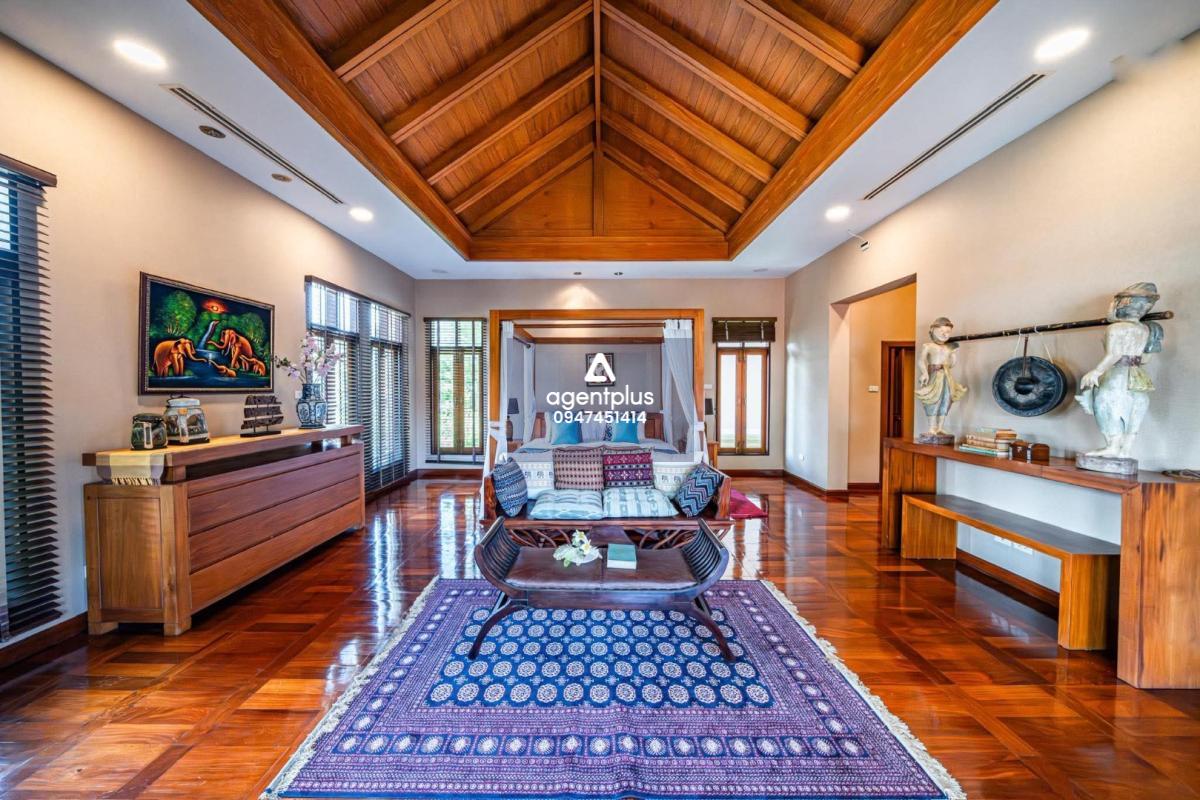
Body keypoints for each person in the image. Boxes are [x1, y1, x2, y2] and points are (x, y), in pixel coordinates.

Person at [1075, 283, 1163, 463]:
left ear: (1122, 304)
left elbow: (1114, 354)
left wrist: (1096, 371)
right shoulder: (1147, 329)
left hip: (1117, 374)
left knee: (1105, 405)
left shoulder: (1116, 328)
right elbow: (1145, 359)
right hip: (1137, 375)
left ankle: (1113, 446)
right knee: (1133, 411)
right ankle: (1125, 450)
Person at [915, 317, 967, 439]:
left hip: (946, 375)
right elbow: (921, 360)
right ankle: (931, 428)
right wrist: (924, 373)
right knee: (933, 399)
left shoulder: (948, 348)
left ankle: (940, 427)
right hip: (934, 374)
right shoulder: (928, 346)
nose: (945, 334)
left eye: (948, 332)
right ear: (933, 330)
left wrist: (953, 354)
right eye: (942, 331)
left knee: (946, 399)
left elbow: (951, 365)